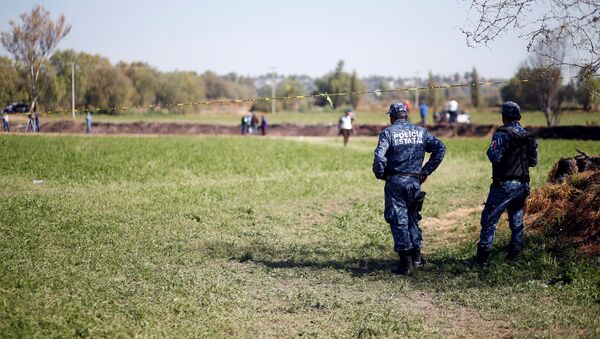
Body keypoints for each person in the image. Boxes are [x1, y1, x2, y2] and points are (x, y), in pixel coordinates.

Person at [373, 102, 446, 275]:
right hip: (414, 183)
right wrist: (426, 171)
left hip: (396, 182)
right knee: (413, 219)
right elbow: (440, 148)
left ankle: (405, 264)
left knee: (399, 221)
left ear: (392, 117)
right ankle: (417, 259)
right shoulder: (421, 132)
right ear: (405, 115)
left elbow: (379, 156)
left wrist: (381, 174)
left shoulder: (388, 133)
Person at [475, 101, 537, 266]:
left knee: (489, 219)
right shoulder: (528, 135)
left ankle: (482, 259)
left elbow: (494, 156)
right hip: (522, 185)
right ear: (519, 117)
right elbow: (533, 161)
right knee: (516, 221)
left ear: (503, 117)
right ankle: (514, 256)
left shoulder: (502, 134)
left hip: (504, 185)